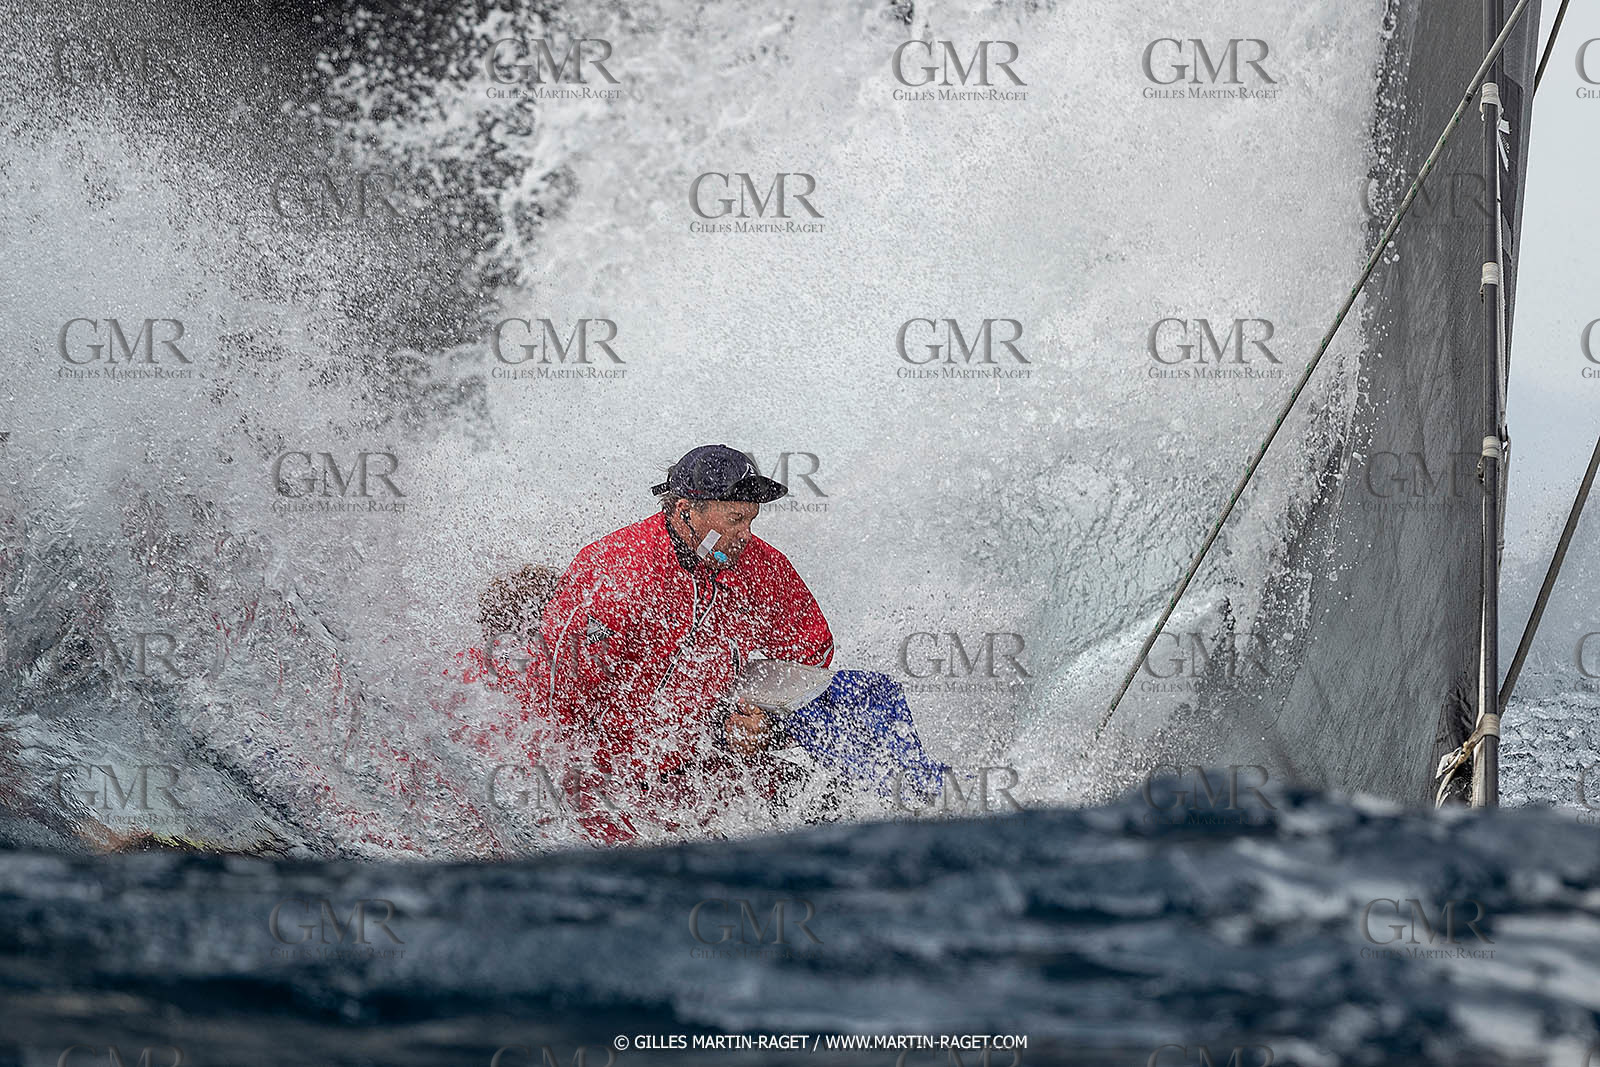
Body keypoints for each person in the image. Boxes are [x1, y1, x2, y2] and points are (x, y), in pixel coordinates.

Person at [480, 444, 946, 844]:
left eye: (752, 520)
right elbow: (554, 698)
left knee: (850, 743)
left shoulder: (759, 565)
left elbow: (811, 649)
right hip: (607, 779)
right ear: (685, 509)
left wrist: (762, 718)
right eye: (736, 519)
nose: (747, 535)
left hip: (707, 755)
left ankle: (928, 814)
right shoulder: (620, 576)